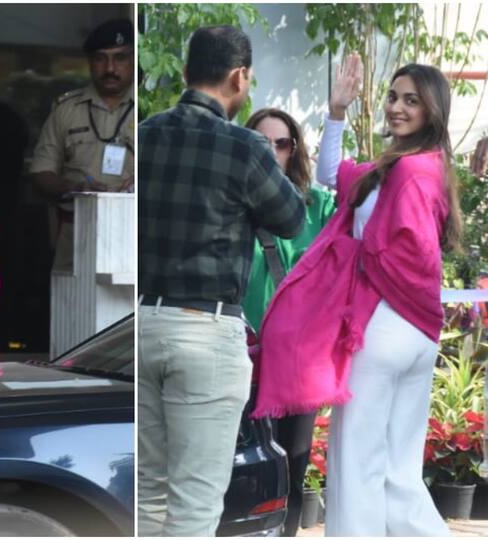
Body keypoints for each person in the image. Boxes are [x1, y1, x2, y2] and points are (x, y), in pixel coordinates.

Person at [252, 55, 461, 536]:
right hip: (420, 332)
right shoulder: (423, 166)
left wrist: (355, 256)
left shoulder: (408, 172)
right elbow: (333, 175)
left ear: (433, 108)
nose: (396, 107)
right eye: (393, 96)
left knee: (356, 463)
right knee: (397, 469)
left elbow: (406, 251)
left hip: (385, 326)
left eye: (412, 100)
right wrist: (337, 110)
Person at [137, 26, 306, 537]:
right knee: (195, 502)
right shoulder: (245, 147)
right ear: (239, 77)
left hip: (142, 322)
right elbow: (292, 219)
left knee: (146, 495)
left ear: (187, 72)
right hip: (206, 330)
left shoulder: (144, 134)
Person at [242, 108, 336, 537]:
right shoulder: (235, 203)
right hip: (243, 353)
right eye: (263, 143)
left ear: (294, 149)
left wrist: (336, 116)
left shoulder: (316, 206)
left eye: (282, 144)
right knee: (247, 468)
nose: (274, 152)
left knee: (293, 461)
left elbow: (354, 197)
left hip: (297, 357)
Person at [30, 18, 134, 271]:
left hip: (132, 231)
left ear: (133, 60)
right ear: (90, 63)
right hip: (76, 229)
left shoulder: (147, 112)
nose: (110, 68)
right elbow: (40, 173)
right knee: (72, 306)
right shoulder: (66, 110)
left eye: (120, 58)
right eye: (101, 58)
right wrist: (72, 187)